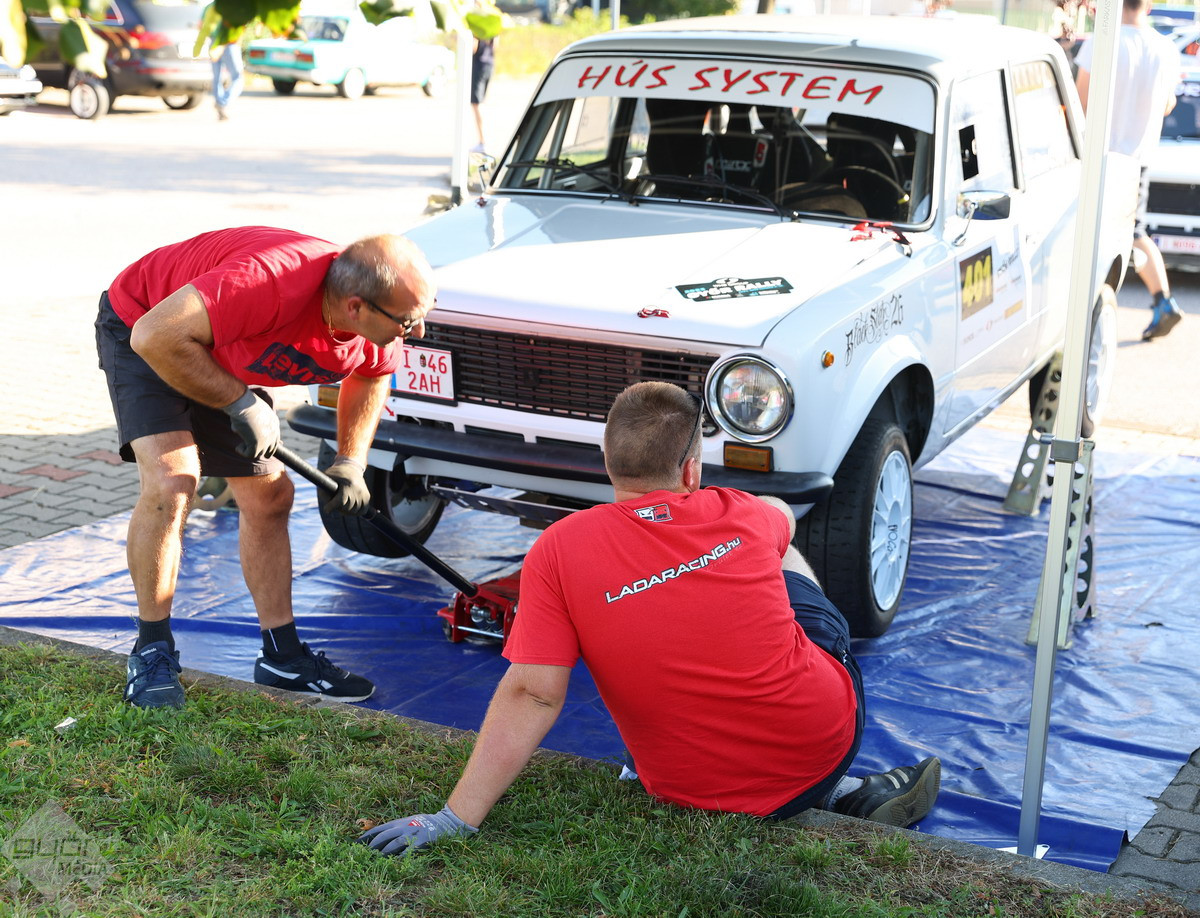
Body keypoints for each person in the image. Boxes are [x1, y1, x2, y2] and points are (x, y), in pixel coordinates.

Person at [359, 381, 941, 857]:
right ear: (692, 471)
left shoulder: (558, 549)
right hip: (824, 743)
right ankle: (842, 788)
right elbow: (780, 515)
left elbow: (534, 694)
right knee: (781, 554)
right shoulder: (738, 511)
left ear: (607, 462)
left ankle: (819, 784)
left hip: (684, 786)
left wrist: (454, 817)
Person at [94, 226, 438, 709]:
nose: (418, 332)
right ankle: (151, 652)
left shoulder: (379, 320)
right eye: (408, 321)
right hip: (146, 325)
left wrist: (351, 461)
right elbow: (155, 335)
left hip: (215, 346)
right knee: (174, 481)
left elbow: (371, 375)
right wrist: (242, 403)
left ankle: (282, 656)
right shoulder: (269, 281)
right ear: (356, 306)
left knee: (271, 496)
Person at [1075, 0, 1184, 341]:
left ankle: (1089, 303)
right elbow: (1168, 104)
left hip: (1098, 155)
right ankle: (1162, 300)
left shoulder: (1101, 41)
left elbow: (1080, 100)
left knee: (1086, 230)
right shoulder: (1165, 48)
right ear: (1147, 6)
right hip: (1138, 157)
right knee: (1133, 230)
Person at [210, 38, 244, 121]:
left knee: (217, 77)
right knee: (238, 77)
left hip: (214, 43)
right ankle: (223, 103)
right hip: (229, 43)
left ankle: (220, 102)